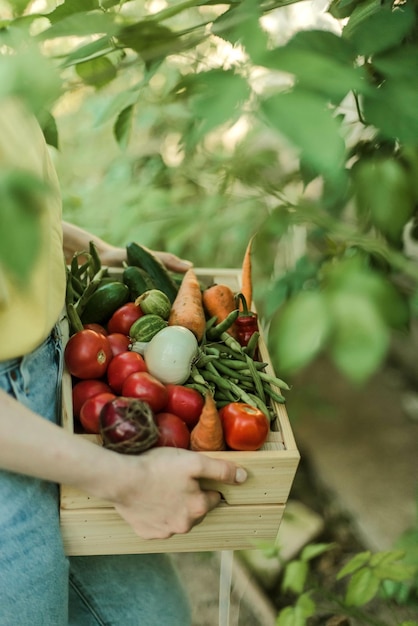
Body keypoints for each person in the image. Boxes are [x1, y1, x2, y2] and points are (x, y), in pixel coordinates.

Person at [0, 98, 247, 626]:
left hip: (60, 373)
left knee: (156, 617)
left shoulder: (9, 66)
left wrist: (96, 250)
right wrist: (125, 480)